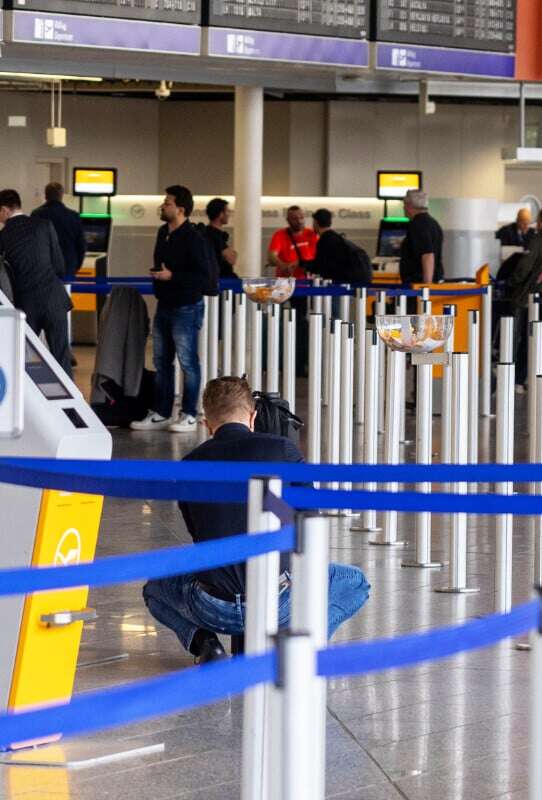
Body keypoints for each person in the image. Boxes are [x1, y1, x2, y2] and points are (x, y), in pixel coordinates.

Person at [142, 377, 370, 663]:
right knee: (356, 582)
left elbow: (198, 535)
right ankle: (299, 649)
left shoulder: (189, 465)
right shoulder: (282, 450)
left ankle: (205, 644)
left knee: (155, 588)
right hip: (279, 601)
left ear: (206, 423)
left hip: (214, 606)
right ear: (253, 415)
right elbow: (311, 518)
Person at [131, 185, 211, 433]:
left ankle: (189, 413)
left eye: (167, 202)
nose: (163, 206)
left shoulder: (194, 237)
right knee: (161, 361)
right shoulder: (162, 232)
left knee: (188, 361)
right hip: (164, 304)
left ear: (181, 209)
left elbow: (203, 276)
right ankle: (162, 412)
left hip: (186, 306)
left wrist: (171, 276)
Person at [0, 189, 72, 373]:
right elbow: (59, 265)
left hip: (26, 304)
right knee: (61, 357)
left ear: (4, 210)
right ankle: (69, 401)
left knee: (24, 361)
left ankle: (30, 401)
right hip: (54, 300)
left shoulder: (3, 237)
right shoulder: (44, 225)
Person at [505, 206, 542, 388]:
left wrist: (512, 282)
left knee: (529, 339)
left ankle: (519, 379)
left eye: (539, 220)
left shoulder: (537, 241)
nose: (536, 224)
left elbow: (524, 269)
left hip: (538, 299)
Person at [31, 182, 85, 283]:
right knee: (65, 295)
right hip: (67, 267)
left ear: (46, 195)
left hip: (43, 267)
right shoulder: (73, 216)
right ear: (61, 195)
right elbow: (81, 245)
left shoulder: (36, 215)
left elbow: (32, 243)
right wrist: (76, 266)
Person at [310, 208, 369, 286]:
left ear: (316, 222)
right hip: (353, 282)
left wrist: (305, 266)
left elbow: (320, 267)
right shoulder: (338, 238)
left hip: (339, 286)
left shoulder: (324, 241)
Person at [399, 189, 444, 284]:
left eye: (404, 205)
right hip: (436, 280)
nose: (403, 208)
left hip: (418, 284)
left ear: (409, 206)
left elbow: (428, 255)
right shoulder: (433, 223)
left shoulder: (417, 225)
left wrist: (425, 289)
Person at [268, 205, 318, 279]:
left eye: (301, 218)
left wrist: (299, 263)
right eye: (295, 219)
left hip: (307, 280)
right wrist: (283, 266)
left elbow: (318, 257)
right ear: (288, 220)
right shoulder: (280, 235)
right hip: (285, 281)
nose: (299, 221)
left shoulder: (312, 234)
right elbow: (272, 256)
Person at [202, 197, 238, 279]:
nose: (229, 214)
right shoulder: (213, 234)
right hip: (220, 281)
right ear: (221, 214)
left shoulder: (208, 233)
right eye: (227, 211)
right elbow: (231, 259)